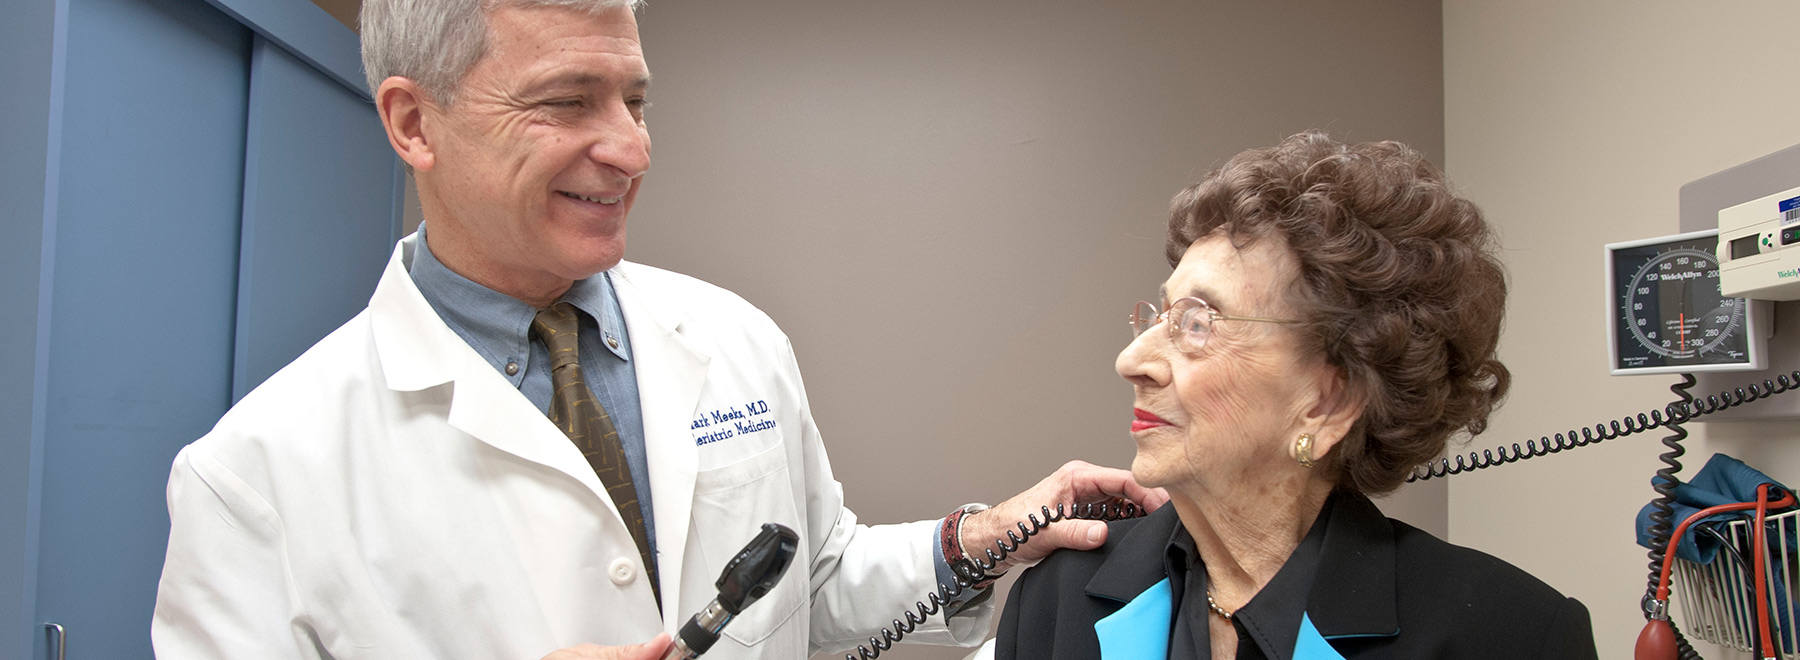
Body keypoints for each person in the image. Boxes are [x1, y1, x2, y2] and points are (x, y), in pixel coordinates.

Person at [148, 1, 1163, 659]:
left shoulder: (733, 338)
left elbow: (809, 582)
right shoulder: (252, 482)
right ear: (415, 124)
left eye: (634, 97)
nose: (630, 148)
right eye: (567, 101)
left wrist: (973, 541)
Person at [990, 132, 1601, 659]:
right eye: (1160, 314)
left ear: (1330, 401)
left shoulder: (1512, 635)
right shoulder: (1058, 599)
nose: (1132, 361)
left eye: (1198, 323)